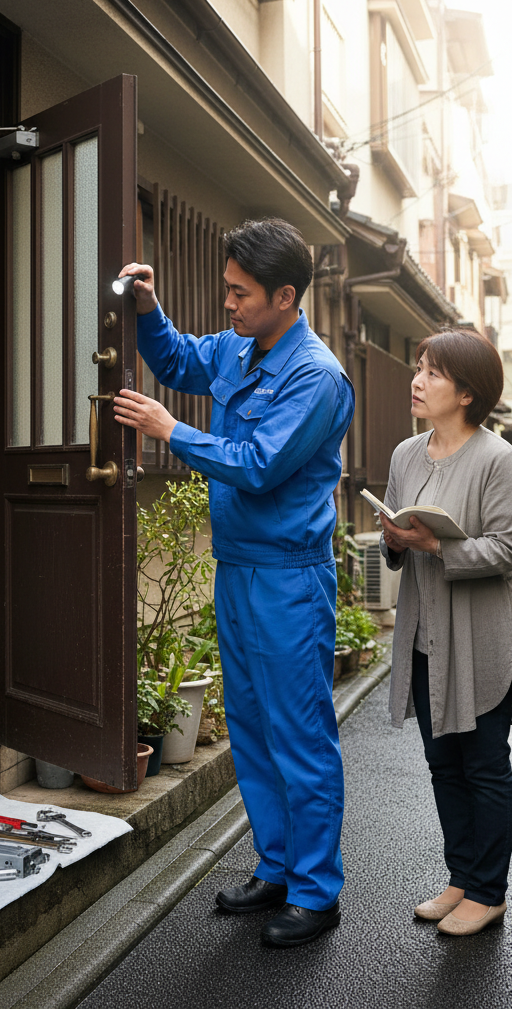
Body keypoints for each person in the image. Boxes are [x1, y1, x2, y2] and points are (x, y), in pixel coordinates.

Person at [112, 218, 355, 948]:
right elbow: (181, 361)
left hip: (288, 579)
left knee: (301, 735)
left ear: (286, 295)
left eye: (240, 293)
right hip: (239, 570)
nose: (228, 304)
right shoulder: (241, 347)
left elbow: (258, 464)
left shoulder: (317, 376)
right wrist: (150, 311)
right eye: (225, 289)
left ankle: (317, 893)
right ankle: (277, 868)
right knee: (250, 731)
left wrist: (170, 432)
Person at [378, 329, 512, 937]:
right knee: (442, 762)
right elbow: (398, 535)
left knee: (484, 763)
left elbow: (510, 549)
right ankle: (461, 877)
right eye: (418, 368)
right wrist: (396, 541)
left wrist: (436, 545)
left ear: (467, 393)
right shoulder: (404, 454)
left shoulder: (499, 459)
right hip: (424, 630)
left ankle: (488, 892)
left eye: (433, 373)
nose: (417, 381)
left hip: (481, 633)